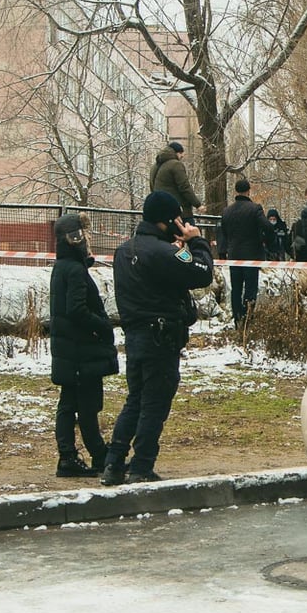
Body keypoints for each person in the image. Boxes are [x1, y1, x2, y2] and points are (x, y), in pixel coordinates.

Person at [101, 190, 214, 485]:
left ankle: (113, 463)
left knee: (135, 399)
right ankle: (142, 466)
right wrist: (197, 240)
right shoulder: (162, 252)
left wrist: (179, 247)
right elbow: (201, 273)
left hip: (135, 336)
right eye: (177, 219)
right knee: (155, 403)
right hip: (161, 337)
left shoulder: (125, 250)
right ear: (168, 221)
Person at [49, 212, 118, 478]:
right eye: (83, 235)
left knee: (68, 404)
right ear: (75, 238)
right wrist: (103, 324)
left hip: (69, 350)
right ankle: (99, 455)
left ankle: (68, 457)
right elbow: (77, 310)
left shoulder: (62, 267)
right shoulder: (75, 270)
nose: (87, 240)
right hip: (81, 351)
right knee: (88, 405)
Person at [217, 177, 274, 327]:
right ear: (249, 191)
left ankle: (237, 319)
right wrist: (266, 242)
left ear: (236, 191)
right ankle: (248, 319)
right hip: (252, 255)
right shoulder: (255, 209)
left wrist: (223, 252)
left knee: (236, 289)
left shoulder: (227, 211)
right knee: (250, 288)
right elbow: (267, 227)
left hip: (234, 255)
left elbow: (221, 232)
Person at [149, 141, 202, 222]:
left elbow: (152, 186)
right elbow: (184, 187)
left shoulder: (154, 166)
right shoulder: (176, 165)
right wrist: (197, 204)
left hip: (161, 210)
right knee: (190, 233)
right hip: (179, 212)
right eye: (181, 153)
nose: (182, 156)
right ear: (176, 153)